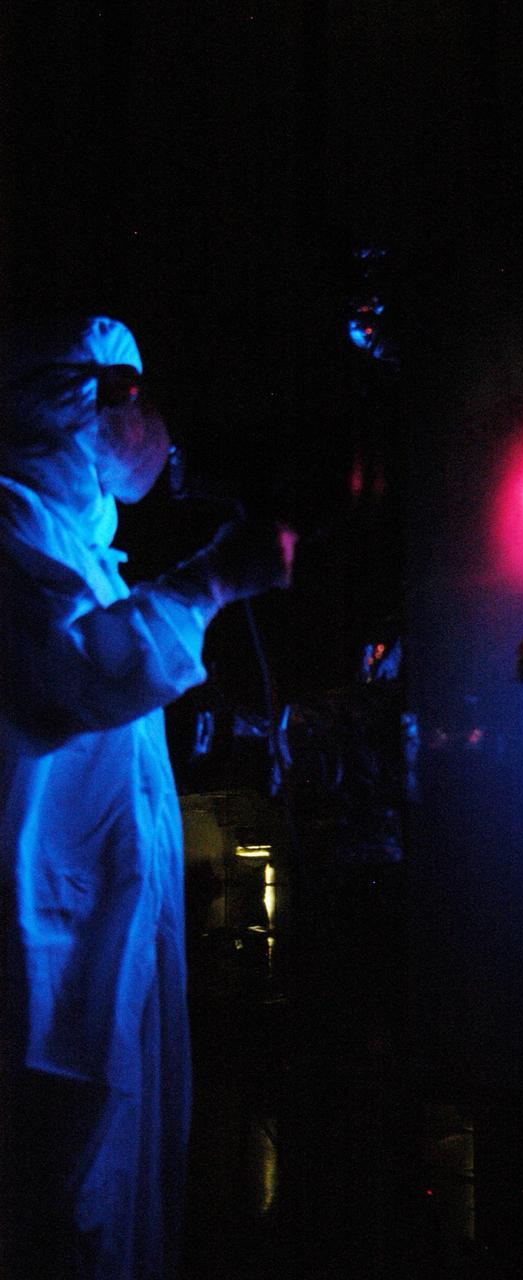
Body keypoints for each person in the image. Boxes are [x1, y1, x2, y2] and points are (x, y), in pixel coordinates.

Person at [0, 316, 295, 1278]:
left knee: (114, 1184)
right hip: (48, 946)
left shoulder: (83, 549)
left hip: (100, 941)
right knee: (61, 1196)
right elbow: (83, 668)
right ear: (78, 400)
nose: (149, 428)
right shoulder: (12, 522)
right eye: (128, 398)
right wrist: (214, 579)